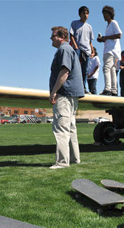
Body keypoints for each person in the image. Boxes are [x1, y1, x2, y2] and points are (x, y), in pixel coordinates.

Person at [49, 26, 85, 169]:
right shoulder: (69, 50)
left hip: (64, 94)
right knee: (70, 128)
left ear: (61, 37)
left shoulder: (63, 50)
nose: (51, 39)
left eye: (53, 36)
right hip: (72, 95)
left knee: (61, 128)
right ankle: (75, 159)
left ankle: (62, 163)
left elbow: (64, 72)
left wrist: (53, 92)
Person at [97, 5, 122, 96]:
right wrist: (102, 39)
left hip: (110, 51)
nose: (104, 16)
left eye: (105, 14)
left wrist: (105, 37)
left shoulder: (113, 23)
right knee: (112, 70)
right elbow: (113, 37)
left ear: (110, 14)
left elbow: (119, 35)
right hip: (113, 50)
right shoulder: (108, 25)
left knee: (106, 68)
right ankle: (114, 90)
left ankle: (107, 88)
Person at [69, 6, 94, 93]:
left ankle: (83, 87)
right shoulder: (74, 23)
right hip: (77, 48)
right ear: (79, 14)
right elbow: (71, 35)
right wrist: (75, 46)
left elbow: (90, 40)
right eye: (83, 13)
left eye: (87, 13)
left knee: (85, 69)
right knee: (75, 67)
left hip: (87, 50)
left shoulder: (89, 27)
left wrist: (92, 50)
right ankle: (74, 85)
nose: (85, 15)